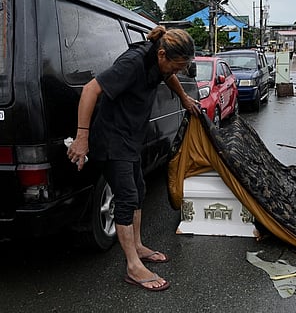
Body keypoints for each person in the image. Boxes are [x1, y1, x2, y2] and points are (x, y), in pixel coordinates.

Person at [66, 25, 201, 291]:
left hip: (131, 137)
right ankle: (133, 267)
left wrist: (184, 98)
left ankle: (137, 247)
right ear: (162, 54)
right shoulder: (133, 62)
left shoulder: (159, 61)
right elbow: (90, 90)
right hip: (112, 139)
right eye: (174, 66)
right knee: (127, 197)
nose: (175, 72)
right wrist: (82, 138)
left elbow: (167, 77)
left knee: (138, 190)